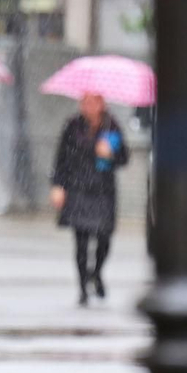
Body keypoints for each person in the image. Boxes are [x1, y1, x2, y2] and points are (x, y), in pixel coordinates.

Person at [50, 92, 130, 306]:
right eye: (84, 101)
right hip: (78, 188)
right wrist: (58, 185)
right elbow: (61, 158)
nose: (88, 106)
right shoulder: (73, 125)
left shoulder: (112, 126)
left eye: (93, 101)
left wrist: (110, 154)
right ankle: (83, 287)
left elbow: (124, 158)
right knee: (81, 240)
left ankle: (96, 272)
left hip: (103, 190)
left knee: (104, 238)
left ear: (102, 103)